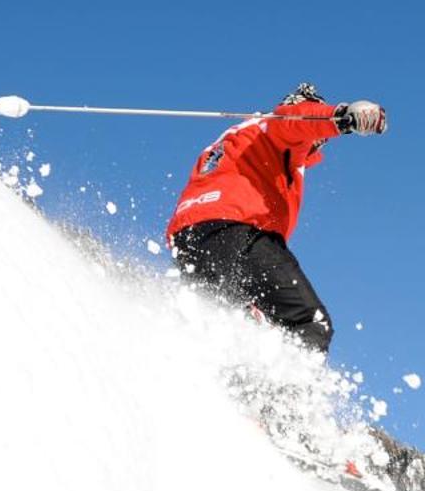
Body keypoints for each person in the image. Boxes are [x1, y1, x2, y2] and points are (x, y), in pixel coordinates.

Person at [165, 84, 386, 354]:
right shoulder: (279, 127)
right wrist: (343, 116)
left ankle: (220, 380)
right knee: (310, 322)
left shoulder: (238, 138)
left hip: (188, 240)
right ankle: (284, 393)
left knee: (239, 326)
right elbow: (298, 119)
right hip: (236, 229)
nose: (318, 143)